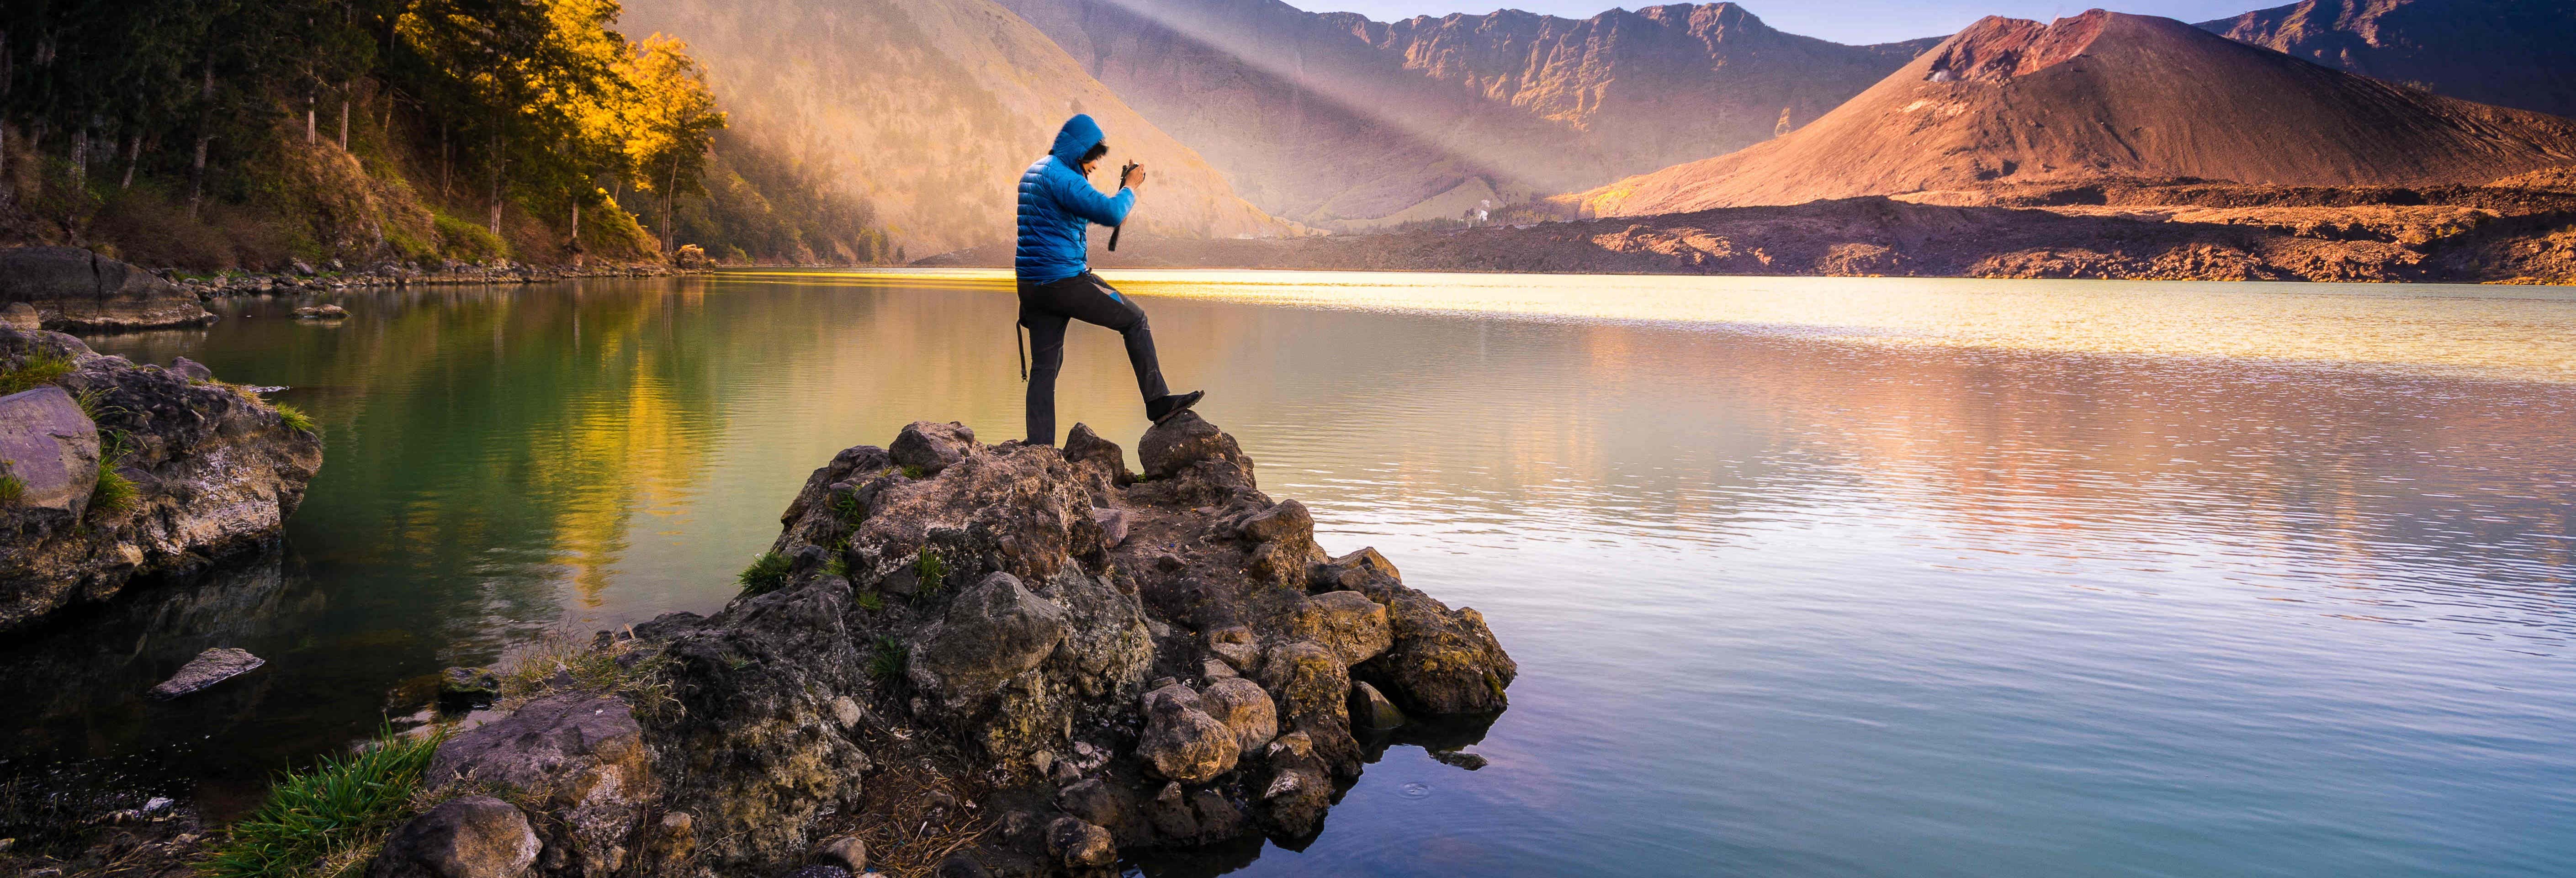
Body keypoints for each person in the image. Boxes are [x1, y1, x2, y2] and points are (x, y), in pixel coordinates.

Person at [1014, 113, 1202, 446]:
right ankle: (1158, 402)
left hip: (1032, 286)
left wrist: (1118, 190)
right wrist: (1131, 186)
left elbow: (1071, 214)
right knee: (1135, 319)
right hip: (1064, 282)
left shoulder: (1037, 171)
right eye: (1092, 158)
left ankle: (1039, 449)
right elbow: (1113, 213)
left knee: (1045, 366)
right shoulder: (1064, 178)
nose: (1095, 166)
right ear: (1077, 152)